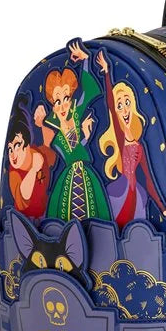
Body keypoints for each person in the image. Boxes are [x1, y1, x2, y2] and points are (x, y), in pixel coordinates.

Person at [96, 51, 166, 229]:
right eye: (120, 105)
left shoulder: (139, 145)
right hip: (121, 190)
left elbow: (148, 180)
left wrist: (163, 208)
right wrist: (107, 72)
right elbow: (110, 104)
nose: (124, 110)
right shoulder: (120, 138)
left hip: (137, 194)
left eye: (127, 103)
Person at [40, 40, 111, 222]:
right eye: (57, 101)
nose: (63, 105)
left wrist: (86, 59)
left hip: (85, 174)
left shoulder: (77, 113)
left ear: (72, 99)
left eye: (66, 98)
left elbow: (89, 89)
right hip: (69, 177)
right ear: (52, 106)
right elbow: (72, 154)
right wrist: (85, 137)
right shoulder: (56, 136)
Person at [7, 95, 55, 219]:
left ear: (27, 144)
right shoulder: (14, 173)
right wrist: (33, 170)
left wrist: (42, 123)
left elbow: (50, 146)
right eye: (10, 149)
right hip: (22, 221)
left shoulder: (38, 154)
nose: (13, 154)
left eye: (17, 145)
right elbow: (23, 197)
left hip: (45, 219)